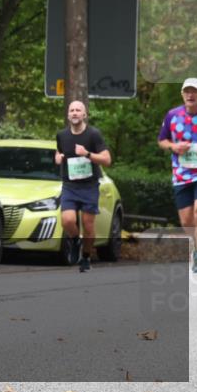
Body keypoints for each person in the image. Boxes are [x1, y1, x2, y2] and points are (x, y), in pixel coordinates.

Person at [157, 77, 197, 274]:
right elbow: (162, 140)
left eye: (194, 91)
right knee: (187, 221)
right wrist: (173, 146)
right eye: (187, 91)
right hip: (180, 174)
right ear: (182, 94)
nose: (190, 94)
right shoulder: (172, 116)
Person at [54, 100, 112, 272]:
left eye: (78, 110)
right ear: (68, 115)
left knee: (88, 226)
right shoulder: (62, 135)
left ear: (84, 114)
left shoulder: (93, 134)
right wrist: (58, 157)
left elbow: (107, 160)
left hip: (89, 185)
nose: (74, 113)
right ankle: (74, 240)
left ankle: (86, 256)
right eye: (71, 110)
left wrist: (87, 154)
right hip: (70, 185)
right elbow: (59, 151)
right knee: (68, 220)